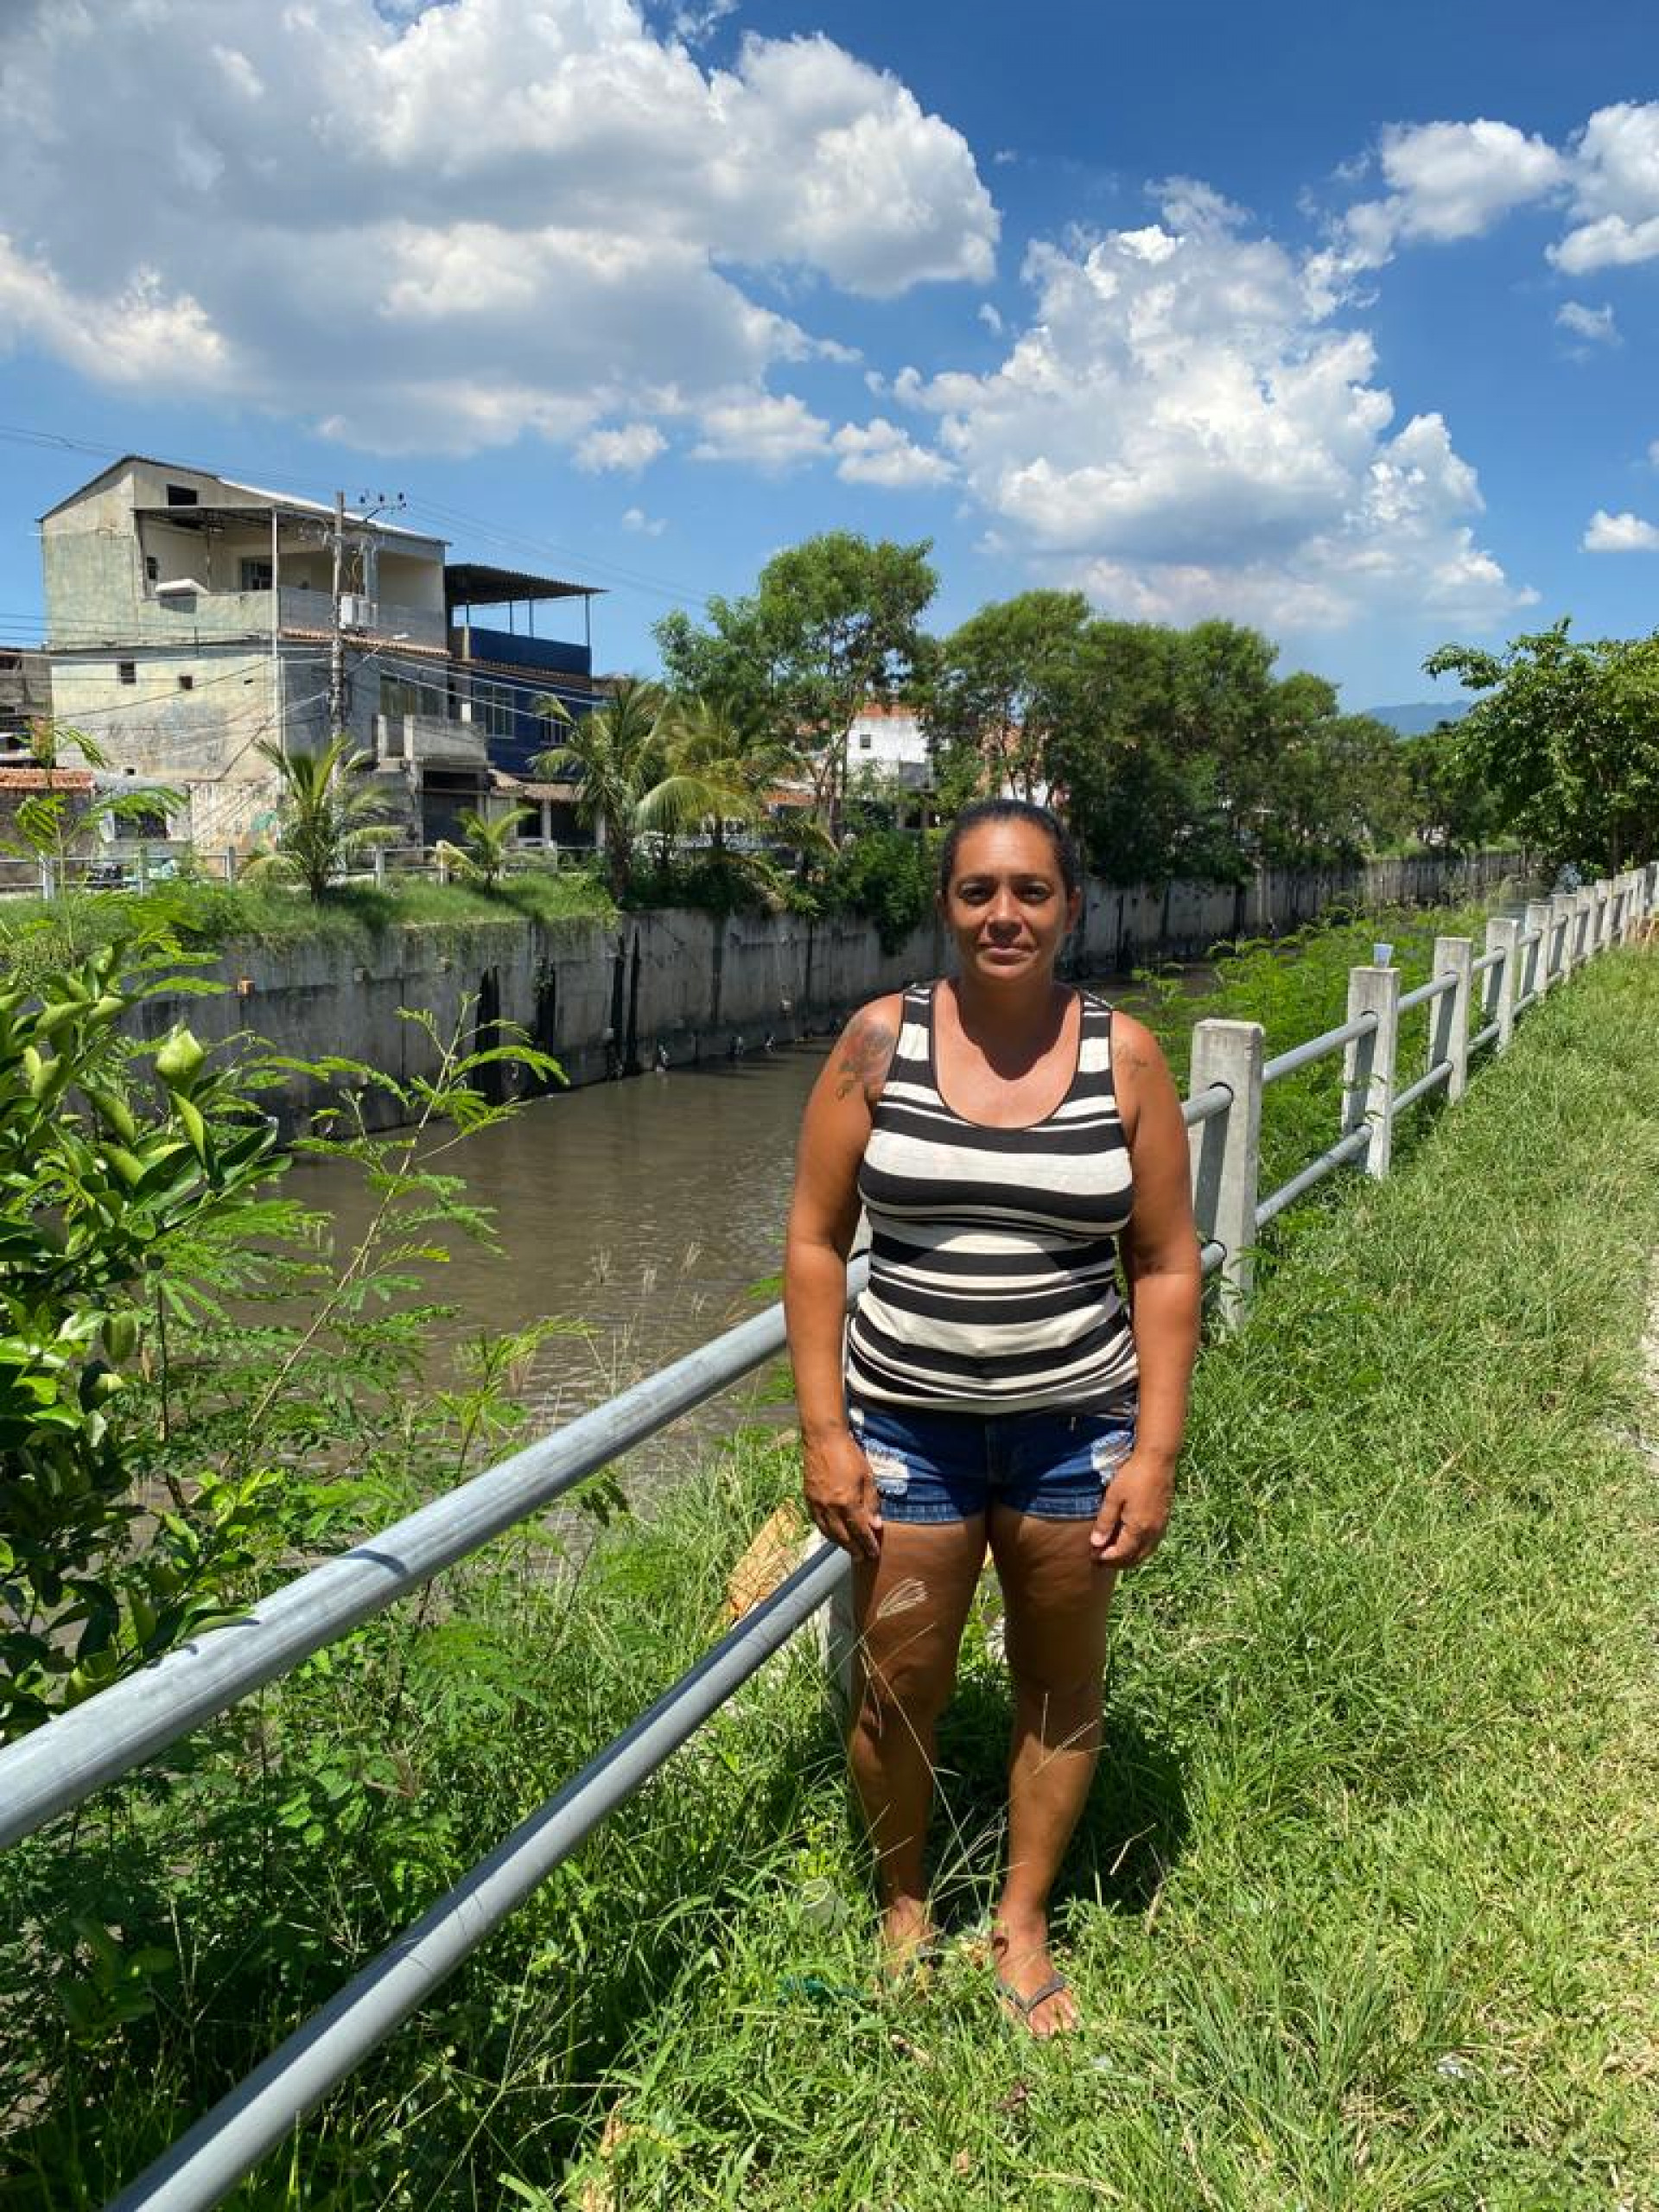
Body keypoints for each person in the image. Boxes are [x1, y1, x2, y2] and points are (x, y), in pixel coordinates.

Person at [784, 798, 1200, 2037]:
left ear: (1071, 906)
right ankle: (904, 1906)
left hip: (1076, 1433)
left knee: (1059, 1685)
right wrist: (825, 1432)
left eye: (1030, 892)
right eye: (977, 893)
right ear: (946, 906)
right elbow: (814, 1242)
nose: (1003, 916)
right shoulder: (876, 1043)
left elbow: (1167, 1263)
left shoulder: (1124, 1057)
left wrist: (1155, 1449)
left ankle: (1022, 1924)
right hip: (904, 1430)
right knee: (897, 1683)